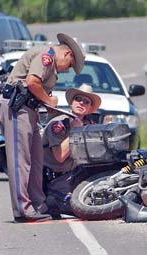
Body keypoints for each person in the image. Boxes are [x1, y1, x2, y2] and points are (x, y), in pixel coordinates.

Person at [0, 33, 86, 222]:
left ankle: (38, 204)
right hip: (17, 107)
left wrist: (49, 106)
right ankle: (22, 209)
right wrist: (48, 100)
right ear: (67, 54)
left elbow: (36, 88)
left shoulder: (51, 64)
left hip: (28, 109)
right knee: (21, 159)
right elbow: (32, 82)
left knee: (36, 159)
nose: (66, 69)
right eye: (70, 65)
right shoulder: (47, 57)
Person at [42, 83, 102, 215]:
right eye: (78, 99)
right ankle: (51, 201)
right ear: (71, 103)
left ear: (90, 108)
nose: (81, 103)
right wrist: (74, 131)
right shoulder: (59, 124)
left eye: (86, 101)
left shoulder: (90, 126)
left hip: (76, 175)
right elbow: (60, 157)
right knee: (81, 208)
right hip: (54, 178)